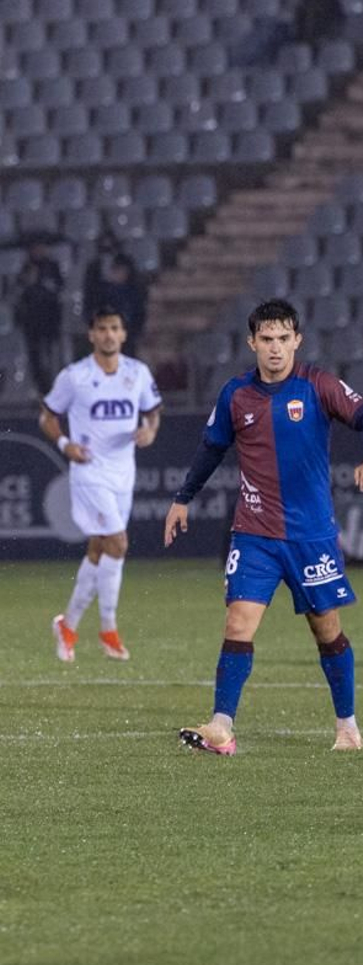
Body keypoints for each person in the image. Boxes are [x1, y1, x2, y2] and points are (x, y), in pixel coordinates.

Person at [164, 299, 363, 756]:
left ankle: (347, 727)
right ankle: (221, 726)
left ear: (297, 341)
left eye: (283, 339)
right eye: (266, 339)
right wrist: (183, 498)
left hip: (311, 536)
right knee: (238, 622)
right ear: (252, 343)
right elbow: (211, 449)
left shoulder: (317, 385)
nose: (275, 348)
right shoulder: (236, 394)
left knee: (326, 630)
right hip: (255, 533)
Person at [41, 308, 162, 662]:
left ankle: (68, 625)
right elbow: (47, 416)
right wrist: (66, 445)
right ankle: (108, 629)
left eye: (115, 328)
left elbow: (152, 410)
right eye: (102, 329)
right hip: (89, 471)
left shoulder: (137, 373)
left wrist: (150, 430)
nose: (109, 335)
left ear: (123, 334)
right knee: (119, 543)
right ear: (91, 335)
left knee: (100, 550)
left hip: (123, 473)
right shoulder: (74, 377)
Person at [16, 241, 65, 395]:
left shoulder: (52, 267)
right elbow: (20, 291)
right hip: (32, 320)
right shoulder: (26, 267)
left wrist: (44, 283)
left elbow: (58, 287)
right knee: (35, 357)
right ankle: (42, 390)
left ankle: (55, 388)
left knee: (51, 356)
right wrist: (28, 280)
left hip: (50, 317)